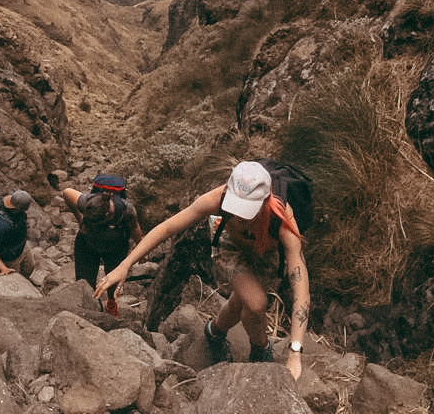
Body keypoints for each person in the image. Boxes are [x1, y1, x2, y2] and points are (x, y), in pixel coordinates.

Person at [95, 161, 309, 380]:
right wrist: (125, 265)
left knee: (243, 300)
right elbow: (168, 227)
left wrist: (295, 352)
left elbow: (301, 288)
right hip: (230, 245)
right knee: (256, 304)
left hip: (266, 252)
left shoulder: (282, 218)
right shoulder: (218, 198)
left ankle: (214, 331)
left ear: (266, 201)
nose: (241, 216)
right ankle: (260, 351)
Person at [63, 182, 143, 316]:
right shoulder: (85, 201)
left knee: (114, 279)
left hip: (116, 246)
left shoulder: (126, 210)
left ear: (107, 214)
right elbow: (67, 192)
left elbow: (134, 228)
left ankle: (111, 302)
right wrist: (79, 218)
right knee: (84, 281)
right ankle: (89, 308)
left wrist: (141, 248)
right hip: (87, 243)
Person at [0, 190, 34, 277]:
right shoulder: (1, 224)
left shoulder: (9, 198)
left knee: (30, 267)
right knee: (18, 277)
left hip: (21, 246)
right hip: (10, 256)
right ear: (17, 208)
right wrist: (3, 267)